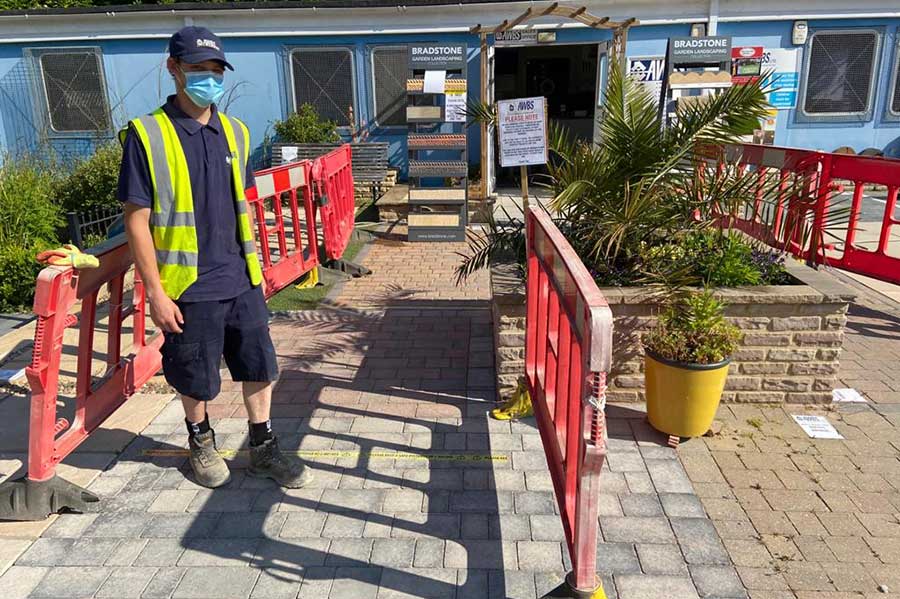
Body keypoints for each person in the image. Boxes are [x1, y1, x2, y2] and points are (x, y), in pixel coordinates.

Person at [117, 26, 311, 489]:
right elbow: (136, 221)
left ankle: (263, 447)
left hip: (241, 277)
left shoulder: (236, 133)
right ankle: (200, 442)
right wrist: (156, 294)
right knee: (194, 372)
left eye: (215, 70)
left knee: (259, 364)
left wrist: (257, 269)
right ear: (173, 69)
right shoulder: (147, 135)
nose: (208, 78)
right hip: (189, 284)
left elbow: (240, 207)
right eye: (198, 69)